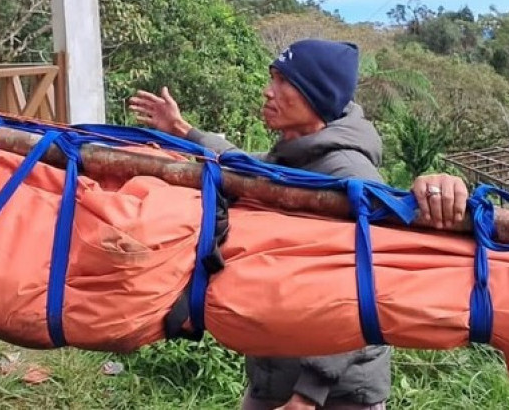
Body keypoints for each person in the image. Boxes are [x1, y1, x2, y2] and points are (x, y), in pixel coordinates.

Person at [129, 39, 468, 410]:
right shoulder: (294, 156)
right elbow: (243, 165)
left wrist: (308, 394)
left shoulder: (347, 173)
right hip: (275, 371)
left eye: (281, 82)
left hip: (336, 394)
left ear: (315, 97)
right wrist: (183, 131)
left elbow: (371, 288)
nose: (267, 91)